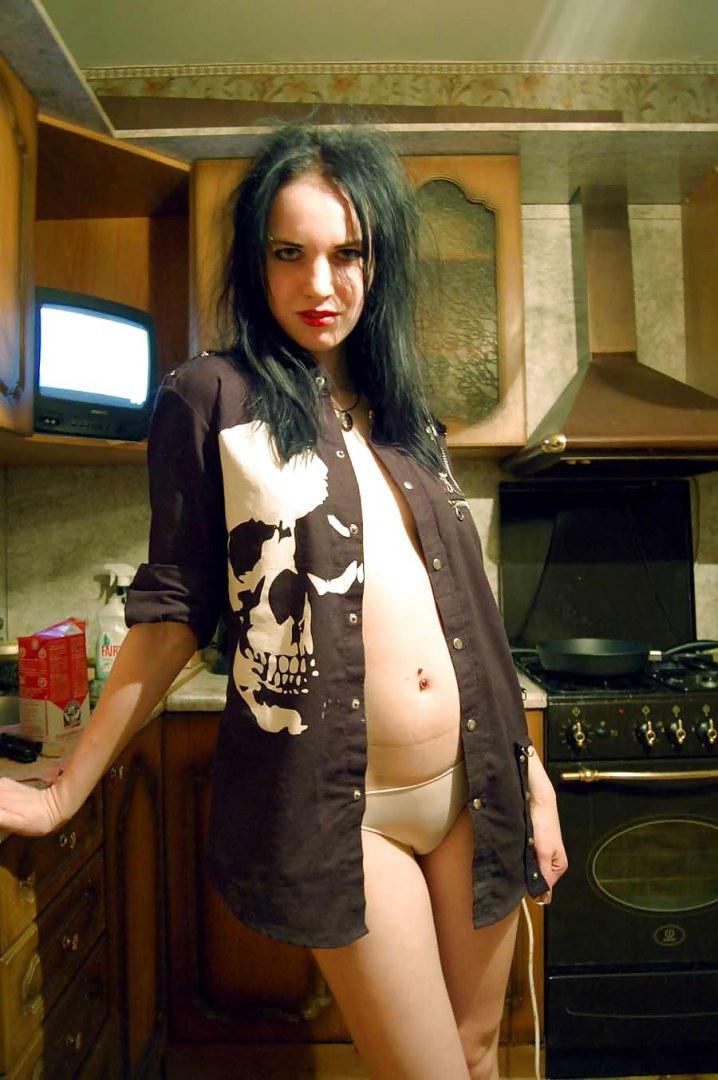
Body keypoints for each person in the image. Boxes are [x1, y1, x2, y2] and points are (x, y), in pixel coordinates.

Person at [0, 122, 567, 1079]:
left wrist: (532, 779)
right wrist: (61, 792)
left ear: (377, 263)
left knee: (479, 1053)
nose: (320, 283)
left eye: (348, 254)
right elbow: (173, 614)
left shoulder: (410, 420)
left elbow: (469, 612)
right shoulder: (212, 398)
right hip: (347, 810)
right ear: (254, 262)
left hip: (480, 784)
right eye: (289, 253)